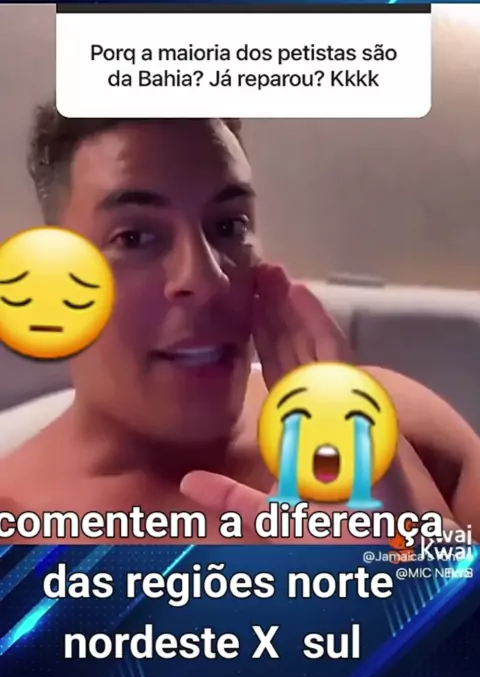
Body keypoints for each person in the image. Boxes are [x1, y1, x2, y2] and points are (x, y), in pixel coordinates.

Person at [0, 111, 479, 543]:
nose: (207, 279)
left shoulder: (389, 419)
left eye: (229, 226)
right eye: (135, 237)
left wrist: (413, 558)